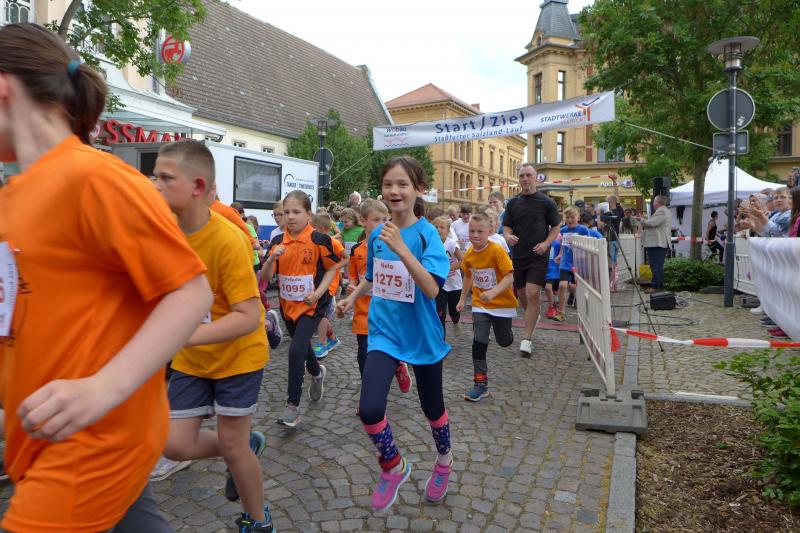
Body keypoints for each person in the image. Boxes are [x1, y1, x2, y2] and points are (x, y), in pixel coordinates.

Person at [0, 23, 213, 532]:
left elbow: (190, 291)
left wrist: (102, 389)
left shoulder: (96, 178)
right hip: (41, 438)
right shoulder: (12, 197)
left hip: (93, 444)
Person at [154, 140, 273, 532]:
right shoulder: (162, 233)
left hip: (238, 357)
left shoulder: (227, 240)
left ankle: (258, 520)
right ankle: (241, 447)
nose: (156, 185)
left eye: (166, 178)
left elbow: (248, 316)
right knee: (175, 444)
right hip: (193, 360)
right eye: (156, 176)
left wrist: (182, 334)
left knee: (234, 446)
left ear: (198, 186)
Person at [337, 156, 454, 512]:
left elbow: (432, 289)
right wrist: (352, 297)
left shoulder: (427, 234)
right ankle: (393, 465)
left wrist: (402, 248)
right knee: (369, 408)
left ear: (419, 189)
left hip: (421, 333)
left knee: (432, 407)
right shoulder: (377, 234)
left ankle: (444, 460)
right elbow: (373, 277)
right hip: (384, 332)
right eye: (388, 184)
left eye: (402, 184)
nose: (394, 190)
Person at [264, 191, 343, 428]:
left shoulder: (320, 240)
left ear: (308, 214)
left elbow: (336, 264)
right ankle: (317, 373)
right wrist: (271, 260)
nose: (290, 217)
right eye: (286, 212)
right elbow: (266, 278)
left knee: (296, 349)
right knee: (303, 346)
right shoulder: (277, 242)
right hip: (288, 306)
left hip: (313, 305)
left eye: (296, 212)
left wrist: (319, 293)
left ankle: (293, 407)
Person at [347, 200, 412, 391]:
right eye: (376, 220)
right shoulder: (356, 250)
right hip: (363, 312)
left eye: (385, 220)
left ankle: (398, 365)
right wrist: (352, 288)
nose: (382, 224)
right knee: (363, 355)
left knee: (386, 350)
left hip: (387, 311)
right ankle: (368, 393)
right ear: (363, 220)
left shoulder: (394, 248)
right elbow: (353, 275)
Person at [456, 213, 517, 402]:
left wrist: (493, 292)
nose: (475, 235)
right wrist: (462, 299)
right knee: (478, 342)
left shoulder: (496, 250)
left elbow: (510, 277)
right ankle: (480, 384)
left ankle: (508, 334)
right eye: (472, 231)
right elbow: (468, 276)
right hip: (480, 304)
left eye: (480, 231)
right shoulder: (469, 254)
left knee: (504, 341)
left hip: (502, 304)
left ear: (490, 231)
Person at [503, 163, 561, 356]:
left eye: (528, 175)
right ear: (518, 179)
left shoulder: (546, 202)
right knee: (522, 295)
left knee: (532, 292)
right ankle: (533, 315)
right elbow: (507, 226)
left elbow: (555, 227)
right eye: (522, 176)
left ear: (536, 178)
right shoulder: (513, 203)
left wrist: (546, 243)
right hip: (518, 255)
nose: (525, 179)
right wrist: (508, 236)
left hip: (538, 255)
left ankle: (526, 339)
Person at [310, 212, 346, 359]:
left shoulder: (333, 242)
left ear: (322, 229)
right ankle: (333, 339)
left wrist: (333, 268)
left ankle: (323, 344)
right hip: (318, 284)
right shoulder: (313, 242)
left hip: (329, 286)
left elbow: (347, 258)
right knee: (320, 314)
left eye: (313, 228)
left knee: (321, 315)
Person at [554, 207, 590, 321]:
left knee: (580, 287)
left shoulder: (583, 229)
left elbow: (589, 244)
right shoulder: (563, 230)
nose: (570, 220)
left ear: (578, 218)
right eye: (567, 217)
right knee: (562, 286)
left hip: (579, 262)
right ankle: (561, 313)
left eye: (572, 217)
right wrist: (560, 254)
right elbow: (563, 245)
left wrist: (576, 242)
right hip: (565, 262)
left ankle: (584, 312)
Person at [432, 216, 463, 334]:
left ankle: (456, 321)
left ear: (448, 230)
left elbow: (462, 261)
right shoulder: (431, 244)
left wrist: (448, 269)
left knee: (454, 312)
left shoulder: (451, 244)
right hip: (439, 285)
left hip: (454, 284)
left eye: (441, 227)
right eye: (436, 227)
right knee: (440, 314)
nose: (438, 229)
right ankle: (441, 340)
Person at [640, 195, 672, 293]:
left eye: (654, 201)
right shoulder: (663, 211)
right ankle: (659, 286)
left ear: (657, 202)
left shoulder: (661, 211)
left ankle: (655, 287)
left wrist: (641, 220)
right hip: (658, 243)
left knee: (655, 266)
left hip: (657, 243)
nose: (653, 202)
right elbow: (653, 222)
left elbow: (651, 223)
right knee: (657, 265)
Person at [544, 238, 562, 319]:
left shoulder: (556, 243)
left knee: (549, 288)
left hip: (554, 270)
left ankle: (552, 307)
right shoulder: (541, 242)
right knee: (551, 290)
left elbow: (561, 256)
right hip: (544, 269)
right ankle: (552, 306)